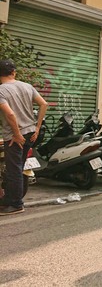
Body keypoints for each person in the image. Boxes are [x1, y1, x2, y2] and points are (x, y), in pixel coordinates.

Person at [0, 59, 47, 215]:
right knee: (18, 168)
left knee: (14, 170)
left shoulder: (1, 90)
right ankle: (8, 200)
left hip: (15, 136)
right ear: (13, 72)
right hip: (30, 133)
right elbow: (44, 104)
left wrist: (17, 134)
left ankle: (16, 204)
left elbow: (10, 113)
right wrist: (37, 128)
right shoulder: (27, 86)